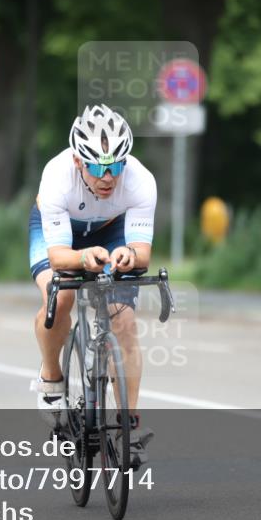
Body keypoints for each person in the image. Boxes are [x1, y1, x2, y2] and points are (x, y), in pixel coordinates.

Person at [29, 104, 156, 467]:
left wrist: (129, 256)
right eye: (98, 167)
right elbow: (58, 258)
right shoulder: (55, 176)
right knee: (62, 296)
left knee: (125, 321)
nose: (108, 176)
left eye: (116, 166)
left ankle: (129, 426)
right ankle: (51, 377)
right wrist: (84, 258)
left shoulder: (141, 180)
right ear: (78, 161)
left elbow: (142, 251)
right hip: (59, 231)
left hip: (112, 230)